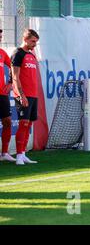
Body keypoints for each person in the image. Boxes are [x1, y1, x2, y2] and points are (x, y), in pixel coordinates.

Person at [11, 29, 40, 165]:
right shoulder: (18, 53)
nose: (35, 44)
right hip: (23, 95)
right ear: (25, 39)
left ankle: (23, 154)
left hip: (33, 94)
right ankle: (18, 156)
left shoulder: (32, 55)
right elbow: (15, 76)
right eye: (33, 41)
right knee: (23, 124)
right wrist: (21, 95)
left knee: (28, 125)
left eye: (36, 42)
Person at [0, 29, 14, 163]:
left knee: (8, 122)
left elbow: (13, 67)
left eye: (0, 37)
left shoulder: (2, 53)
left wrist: (10, 83)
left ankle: (4, 153)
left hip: (2, 95)